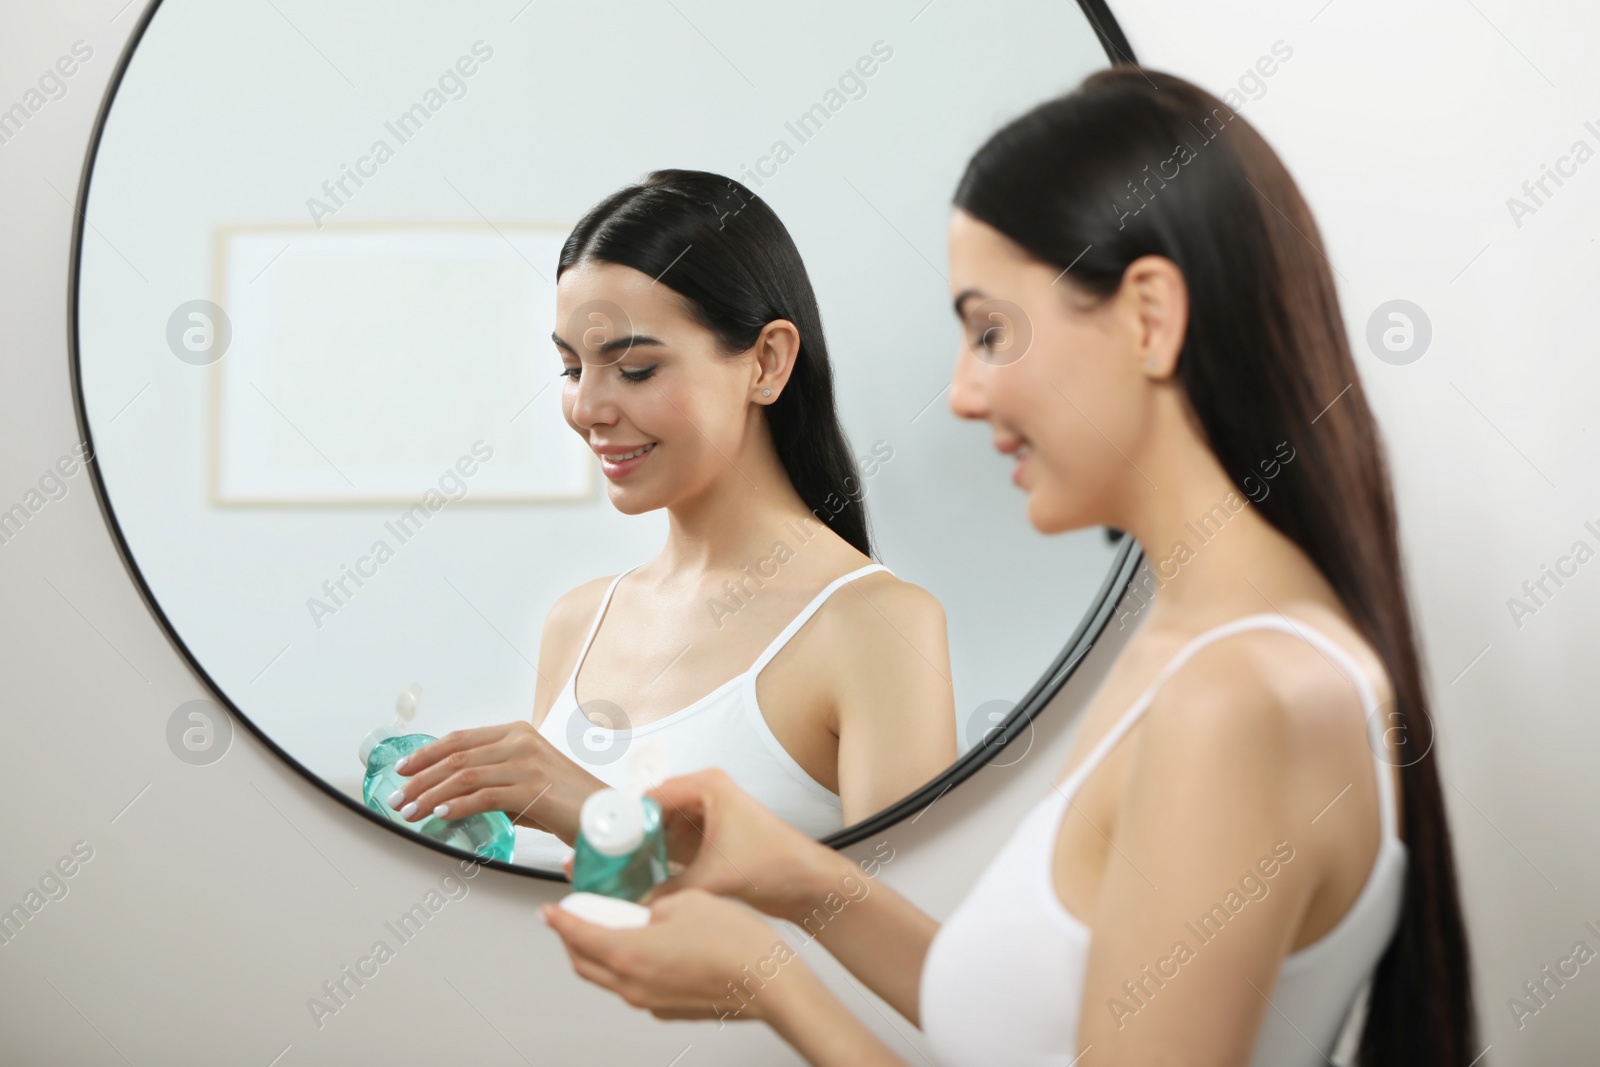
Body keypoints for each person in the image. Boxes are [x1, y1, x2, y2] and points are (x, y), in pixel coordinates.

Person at [539, 70, 1480, 1066]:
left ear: (1148, 316)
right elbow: (1054, 1021)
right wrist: (804, 884)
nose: (960, 392)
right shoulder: (1196, 648)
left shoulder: (1237, 695)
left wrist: (775, 986)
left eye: (991, 330)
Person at [388, 170, 957, 868]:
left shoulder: (877, 627)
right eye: (571, 368)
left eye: (633, 371)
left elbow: (899, 932)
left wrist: (600, 811)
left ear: (767, 363)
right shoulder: (577, 621)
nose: (588, 407)